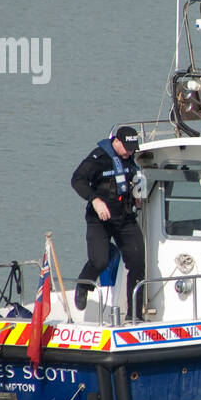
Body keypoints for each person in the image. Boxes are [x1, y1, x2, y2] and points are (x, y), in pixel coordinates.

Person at [71, 125, 146, 319]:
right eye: (127, 148)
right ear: (117, 142)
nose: (130, 152)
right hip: (100, 219)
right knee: (100, 260)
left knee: (138, 263)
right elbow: (77, 180)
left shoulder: (130, 159)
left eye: (133, 149)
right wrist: (95, 200)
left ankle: (134, 314)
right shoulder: (99, 158)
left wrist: (136, 196)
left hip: (125, 217)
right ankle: (84, 284)